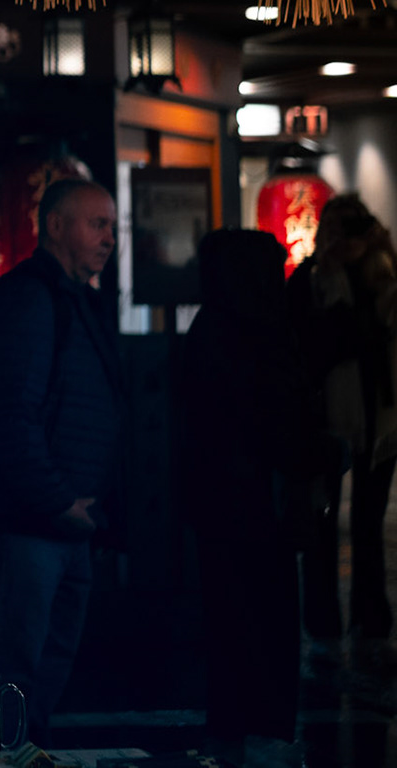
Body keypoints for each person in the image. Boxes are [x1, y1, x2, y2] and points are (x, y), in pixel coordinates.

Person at [0, 177, 125, 746]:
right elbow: (10, 417)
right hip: (31, 522)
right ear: (55, 227)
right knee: (13, 673)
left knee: (43, 670)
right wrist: (56, 500)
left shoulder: (71, 300)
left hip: (63, 522)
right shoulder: (31, 299)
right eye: (96, 224)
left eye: (112, 225)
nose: (110, 238)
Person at [177, 229, 304, 758]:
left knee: (229, 622)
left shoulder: (210, 326)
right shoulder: (261, 330)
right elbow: (277, 423)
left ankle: (230, 727)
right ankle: (263, 730)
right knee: (265, 623)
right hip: (258, 502)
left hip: (217, 502)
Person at [289, 194, 397, 650]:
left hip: (381, 415)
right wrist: (323, 267)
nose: (340, 239)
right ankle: (323, 616)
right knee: (322, 521)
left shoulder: (385, 277)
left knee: (369, 522)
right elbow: (312, 342)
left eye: (349, 229)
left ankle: (370, 616)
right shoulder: (310, 279)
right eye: (332, 228)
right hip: (325, 416)